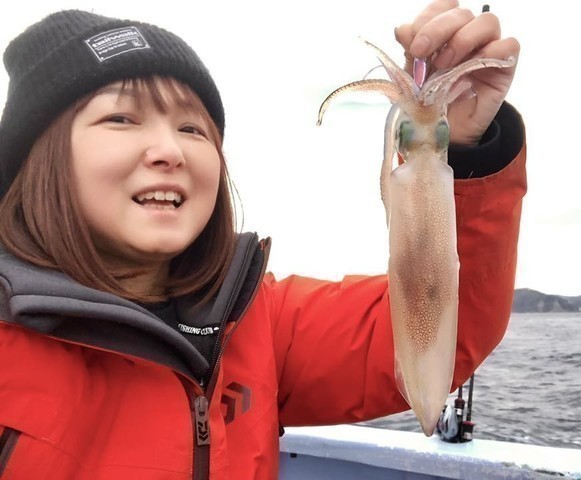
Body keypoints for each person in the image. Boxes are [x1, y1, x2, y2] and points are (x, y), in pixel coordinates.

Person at [0, 0, 525, 478]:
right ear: (37, 159)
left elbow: (439, 324)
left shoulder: (257, 324)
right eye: (120, 118)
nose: (169, 151)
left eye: (192, 129)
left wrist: (461, 150)